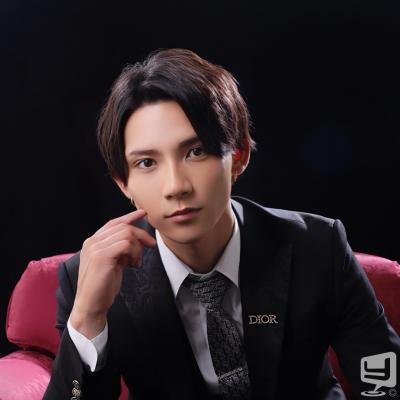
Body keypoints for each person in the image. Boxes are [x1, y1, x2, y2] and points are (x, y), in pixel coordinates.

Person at [43, 48, 399, 400]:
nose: (176, 186)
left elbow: (385, 378)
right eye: (147, 163)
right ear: (124, 184)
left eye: (196, 151)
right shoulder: (87, 277)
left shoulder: (318, 246)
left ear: (238, 156)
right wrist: (87, 317)